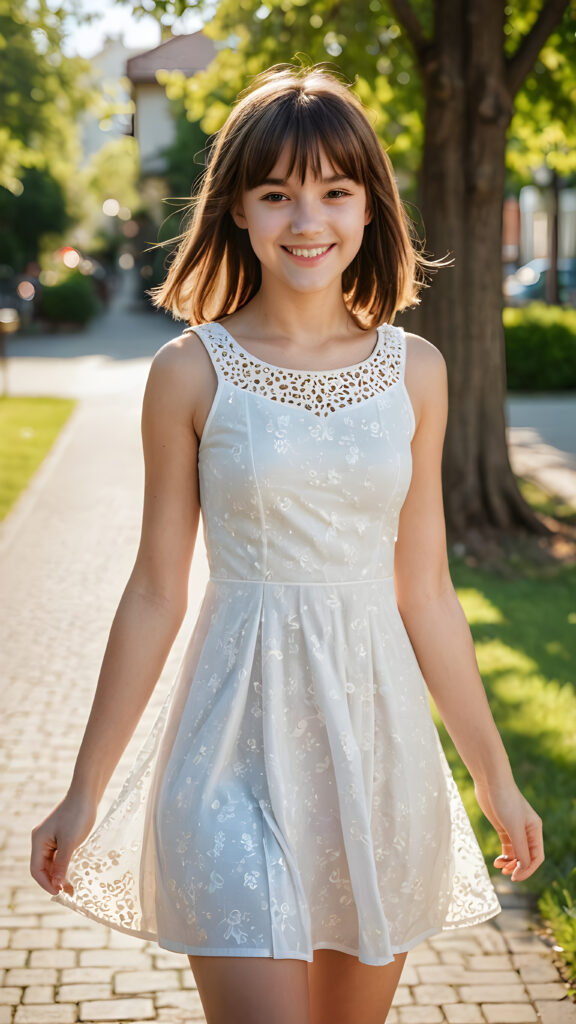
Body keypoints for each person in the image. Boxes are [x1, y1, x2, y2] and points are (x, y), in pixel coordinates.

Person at [30, 63, 544, 1024]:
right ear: (236, 209)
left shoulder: (417, 371)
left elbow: (425, 591)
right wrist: (82, 789)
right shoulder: (189, 372)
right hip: (229, 753)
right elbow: (154, 591)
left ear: (368, 206)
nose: (307, 220)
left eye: (334, 192)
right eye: (276, 194)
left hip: (379, 750)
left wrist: (494, 777)